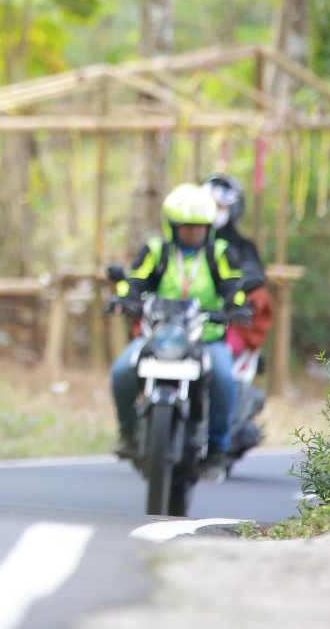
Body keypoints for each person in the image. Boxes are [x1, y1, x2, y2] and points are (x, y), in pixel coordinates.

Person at [109, 183, 249, 482]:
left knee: (224, 379)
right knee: (121, 371)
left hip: (205, 337)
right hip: (160, 337)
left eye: (200, 226)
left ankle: (217, 449)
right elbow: (135, 282)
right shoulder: (155, 251)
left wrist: (236, 307)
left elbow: (234, 288)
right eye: (187, 226)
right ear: (172, 226)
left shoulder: (220, 253)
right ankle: (127, 434)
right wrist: (124, 299)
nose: (194, 232)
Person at [205, 174, 273, 356]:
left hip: (228, 322)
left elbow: (253, 282)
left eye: (220, 206)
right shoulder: (187, 246)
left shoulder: (243, 247)